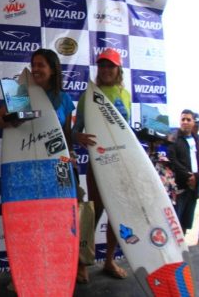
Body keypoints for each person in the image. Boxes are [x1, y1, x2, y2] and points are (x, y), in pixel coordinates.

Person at [0, 49, 76, 290]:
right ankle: (25, 272)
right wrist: (10, 119)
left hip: (58, 165)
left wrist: (70, 161)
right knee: (27, 222)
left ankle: (57, 271)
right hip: (24, 166)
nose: (35, 69)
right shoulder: (20, 92)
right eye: (33, 64)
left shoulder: (64, 99)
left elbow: (66, 136)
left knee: (57, 221)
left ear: (53, 69)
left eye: (41, 65)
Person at [73, 48, 130, 282]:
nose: (106, 70)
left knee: (118, 214)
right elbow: (76, 130)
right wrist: (79, 138)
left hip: (121, 163)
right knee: (94, 213)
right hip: (98, 163)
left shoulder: (124, 93)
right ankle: (82, 262)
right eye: (103, 66)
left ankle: (108, 261)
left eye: (111, 66)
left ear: (118, 69)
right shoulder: (89, 94)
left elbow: (127, 132)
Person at [168, 109, 199, 234]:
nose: (185, 122)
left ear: (193, 122)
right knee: (175, 223)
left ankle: (183, 250)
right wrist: (188, 176)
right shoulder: (173, 138)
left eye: (188, 120)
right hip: (179, 187)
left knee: (186, 222)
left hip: (193, 188)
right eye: (183, 119)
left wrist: (197, 177)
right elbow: (172, 160)